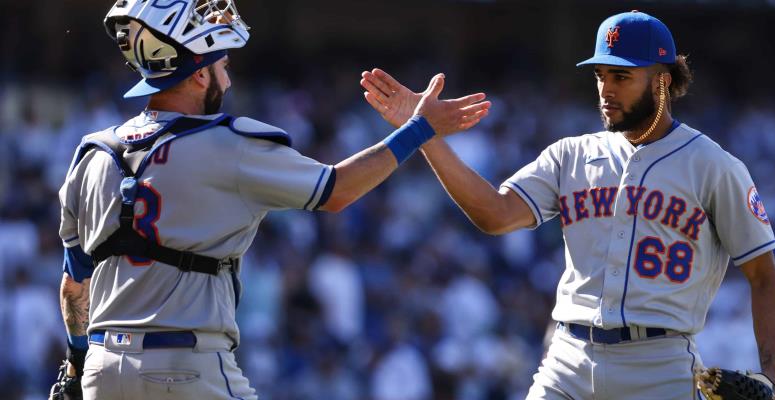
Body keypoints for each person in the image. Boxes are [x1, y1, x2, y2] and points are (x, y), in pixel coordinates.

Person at [51, 1, 491, 399]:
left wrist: (75, 365)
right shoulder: (229, 143)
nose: (227, 76)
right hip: (186, 368)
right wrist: (419, 129)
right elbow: (336, 191)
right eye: (222, 64)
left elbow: (74, 287)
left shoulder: (91, 155)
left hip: (100, 371)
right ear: (199, 73)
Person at [360, 10, 775, 400]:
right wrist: (423, 134)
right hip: (568, 358)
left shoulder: (713, 166)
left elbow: (764, 277)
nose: (606, 90)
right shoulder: (571, 155)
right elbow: (495, 214)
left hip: (659, 365)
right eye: (600, 75)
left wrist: (770, 377)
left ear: (663, 79)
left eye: (621, 77)